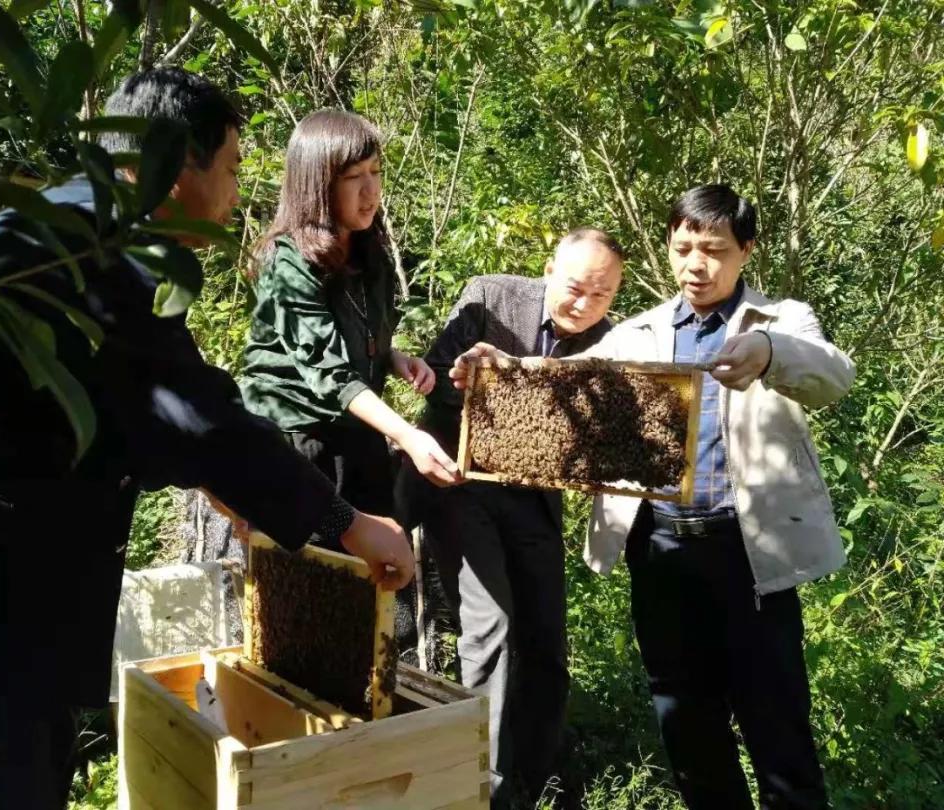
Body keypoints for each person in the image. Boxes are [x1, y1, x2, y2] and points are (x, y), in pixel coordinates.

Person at [0, 68, 413, 810]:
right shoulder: (100, 251)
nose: (235, 194)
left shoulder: (53, 222)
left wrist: (210, 473)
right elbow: (191, 410)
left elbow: (109, 410)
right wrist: (346, 522)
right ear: (176, 165)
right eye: (231, 168)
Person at [453, 185, 854, 810]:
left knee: (776, 722)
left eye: (714, 250)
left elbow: (834, 375)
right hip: (661, 553)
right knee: (687, 726)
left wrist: (770, 353)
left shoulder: (781, 319)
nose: (697, 264)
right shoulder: (639, 333)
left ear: (746, 251)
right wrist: (499, 368)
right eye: (684, 248)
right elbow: (564, 385)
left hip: (749, 555)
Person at [403, 228, 623, 808]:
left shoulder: (612, 340)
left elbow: (605, 431)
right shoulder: (490, 296)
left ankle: (537, 773)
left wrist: (519, 377)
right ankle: (483, 787)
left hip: (534, 495)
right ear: (549, 271)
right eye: (575, 287)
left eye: (601, 295)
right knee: (491, 627)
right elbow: (434, 381)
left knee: (546, 636)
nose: (585, 304)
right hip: (459, 482)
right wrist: (475, 377)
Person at [241, 109, 461, 543]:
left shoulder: (368, 252)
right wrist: (408, 436)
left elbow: (361, 333)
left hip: (359, 434)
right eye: (354, 177)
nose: (371, 190)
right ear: (318, 184)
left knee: (381, 564)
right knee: (312, 571)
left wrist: (393, 358)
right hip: (299, 443)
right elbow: (327, 371)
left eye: (376, 171)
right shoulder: (286, 262)